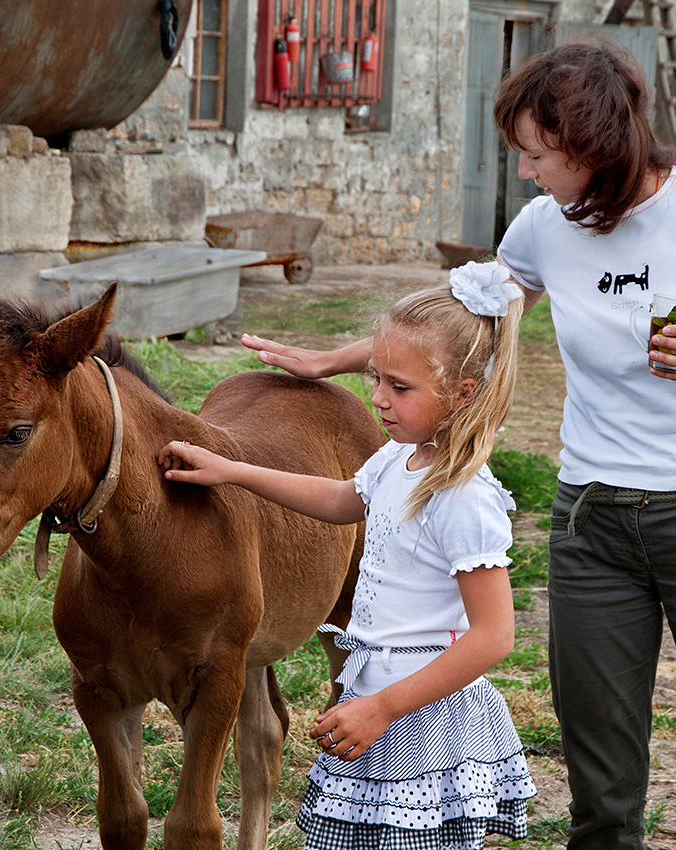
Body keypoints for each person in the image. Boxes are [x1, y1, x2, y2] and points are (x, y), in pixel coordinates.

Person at [239, 34, 676, 850]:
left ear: (594, 145)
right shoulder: (544, 226)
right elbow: (454, 329)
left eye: (538, 154)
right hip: (591, 521)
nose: (527, 172)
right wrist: (337, 360)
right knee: (599, 782)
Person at [159, 266, 537, 850]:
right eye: (375, 377)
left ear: (464, 392)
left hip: (425, 713)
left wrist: (382, 708)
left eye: (399, 387)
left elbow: (494, 636)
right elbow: (341, 500)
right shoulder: (396, 457)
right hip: (374, 697)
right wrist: (231, 472)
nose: (377, 398)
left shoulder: (463, 497)